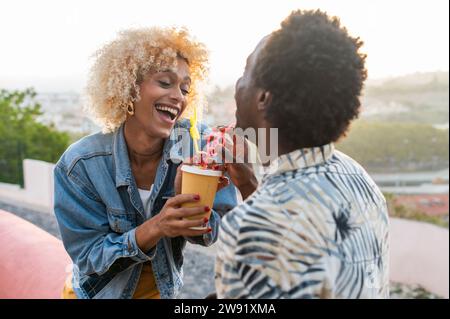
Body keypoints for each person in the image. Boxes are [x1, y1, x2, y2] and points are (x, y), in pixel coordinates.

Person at [215, 10, 390, 298]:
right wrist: (248, 185)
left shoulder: (251, 227)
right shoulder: (358, 178)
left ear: (263, 98)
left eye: (246, 71)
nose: (237, 84)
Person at [53, 27, 237, 299]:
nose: (179, 97)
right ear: (129, 88)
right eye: (165, 83)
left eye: (185, 88)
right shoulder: (80, 165)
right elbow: (89, 258)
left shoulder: (198, 147)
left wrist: (194, 209)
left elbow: (213, 231)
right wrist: (157, 227)